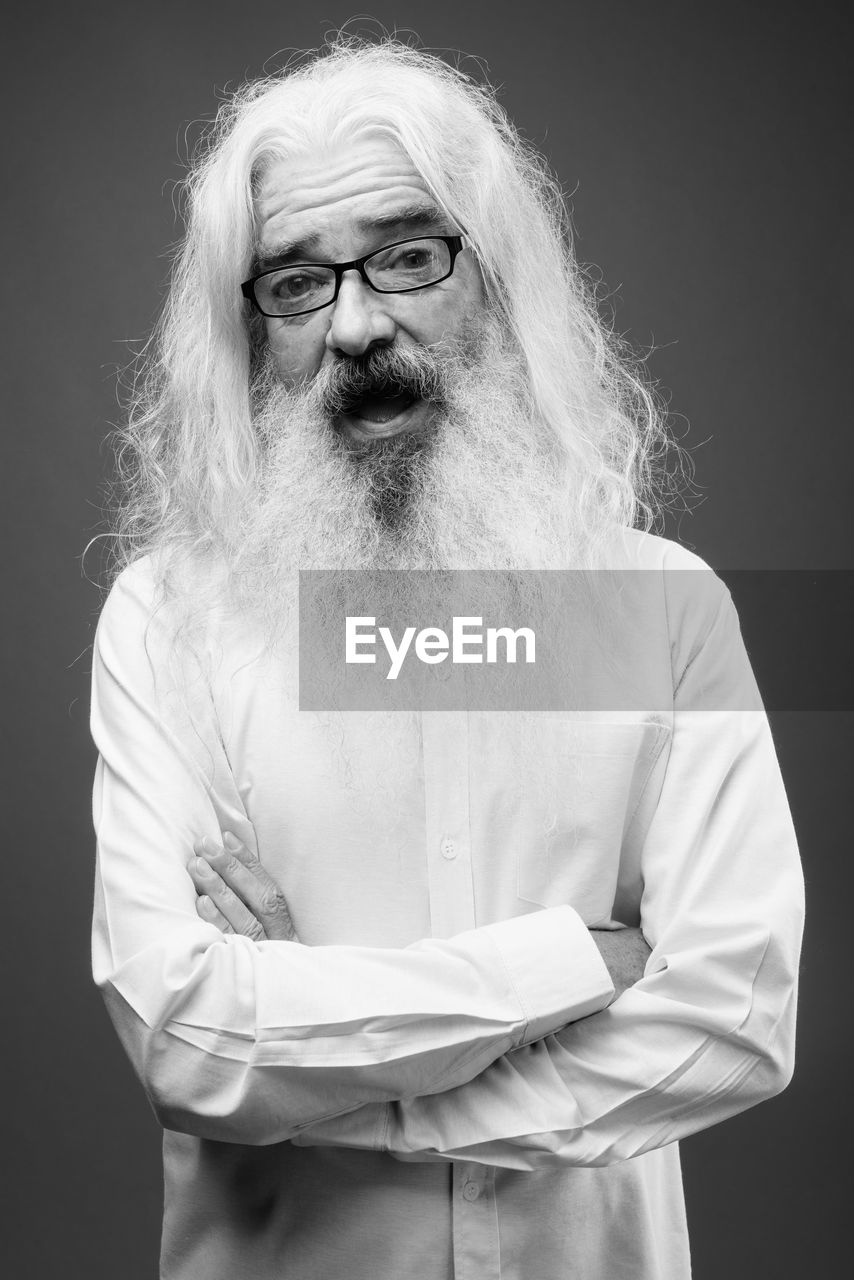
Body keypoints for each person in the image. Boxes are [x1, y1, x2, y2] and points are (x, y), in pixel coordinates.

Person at [90, 37, 804, 1280]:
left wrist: (331, 1066)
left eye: (410, 255)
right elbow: (188, 1037)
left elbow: (735, 1019)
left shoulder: (662, 607)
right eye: (297, 284)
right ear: (250, 328)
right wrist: (568, 962)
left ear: (498, 272)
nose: (359, 323)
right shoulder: (167, 622)